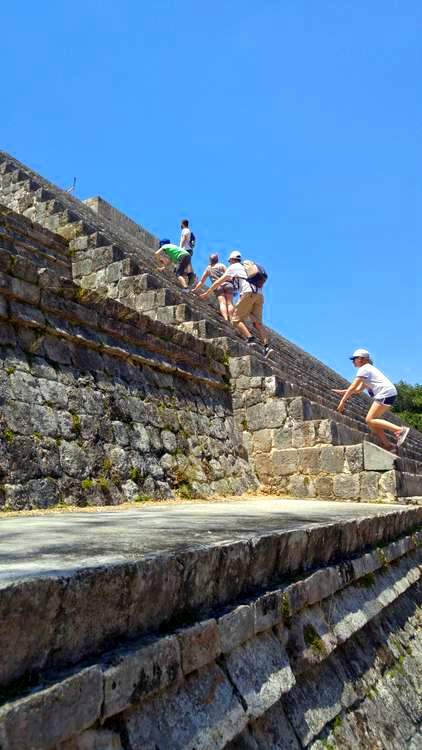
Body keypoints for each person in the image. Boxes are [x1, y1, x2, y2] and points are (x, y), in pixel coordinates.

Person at [333, 348, 410, 452]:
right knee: (372, 421)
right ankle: (387, 445)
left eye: (354, 359)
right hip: (388, 393)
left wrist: (342, 401)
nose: (353, 361)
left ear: (360, 359)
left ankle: (400, 430)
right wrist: (342, 391)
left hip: (385, 393)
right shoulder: (368, 370)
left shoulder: (364, 368)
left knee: (369, 419)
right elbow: (357, 389)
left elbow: (353, 386)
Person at [200, 250, 273, 358]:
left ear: (232, 260)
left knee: (235, 319)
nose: (229, 263)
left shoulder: (233, 267)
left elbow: (219, 281)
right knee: (257, 323)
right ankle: (267, 347)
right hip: (259, 295)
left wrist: (207, 292)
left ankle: (250, 338)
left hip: (248, 293)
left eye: (229, 261)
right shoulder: (247, 266)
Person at [192, 253, 234, 321]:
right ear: (217, 259)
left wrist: (195, 289)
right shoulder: (221, 265)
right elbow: (229, 275)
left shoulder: (208, 268)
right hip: (227, 284)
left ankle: (226, 319)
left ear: (210, 260)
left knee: (222, 303)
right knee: (229, 303)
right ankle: (231, 319)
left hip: (217, 286)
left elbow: (202, 281)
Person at [180, 219, 196, 286]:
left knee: (186, 263)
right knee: (188, 263)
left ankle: (191, 276)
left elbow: (184, 238)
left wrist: (180, 248)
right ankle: (191, 276)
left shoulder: (185, 230)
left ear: (183, 224)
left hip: (185, 249)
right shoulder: (189, 231)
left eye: (181, 224)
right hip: (189, 249)